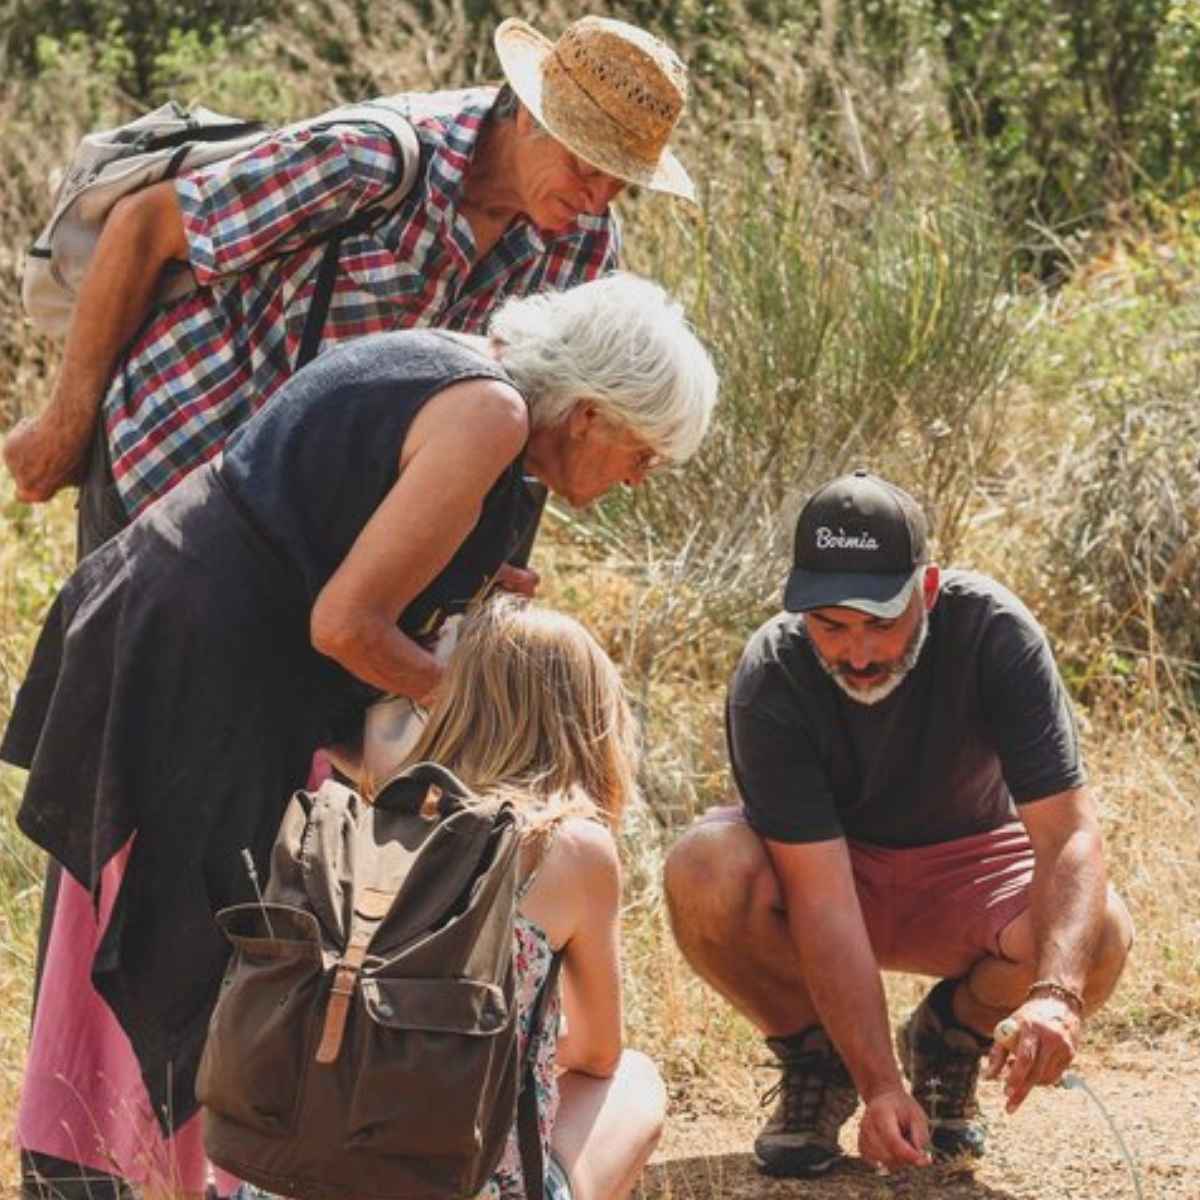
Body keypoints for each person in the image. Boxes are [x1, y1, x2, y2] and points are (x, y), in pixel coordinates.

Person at [3, 272, 717, 1199]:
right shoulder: (491, 416)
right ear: (586, 413)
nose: (638, 477)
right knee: (166, 923)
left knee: (231, 937)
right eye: (642, 450)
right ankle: (99, 1172)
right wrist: (478, 698)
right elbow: (345, 625)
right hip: (191, 653)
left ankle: (182, 1173)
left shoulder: (488, 415)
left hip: (225, 655)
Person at [2, 13, 697, 558]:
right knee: (119, 730)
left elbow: (534, 423)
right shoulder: (371, 159)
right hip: (172, 457)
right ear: (527, 114)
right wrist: (66, 424)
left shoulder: (583, 246)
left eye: (621, 180)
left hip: (306, 533)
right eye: (586, 165)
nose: (599, 195)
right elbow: (144, 227)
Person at [663, 468, 1133, 1177]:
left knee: (1098, 929)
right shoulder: (773, 670)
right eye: (831, 626)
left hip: (969, 871)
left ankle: (954, 1041)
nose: (857, 653)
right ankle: (820, 1062)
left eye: (882, 623)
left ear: (929, 588)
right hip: (834, 876)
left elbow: (1068, 835)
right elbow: (820, 897)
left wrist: (1055, 998)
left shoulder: (993, 631)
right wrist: (879, 1083)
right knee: (703, 866)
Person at [389, 595, 666, 1200]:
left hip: (300, 1170)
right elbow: (597, 1053)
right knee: (637, 1082)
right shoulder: (566, 846)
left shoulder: (370, 824)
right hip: (468, 1180)